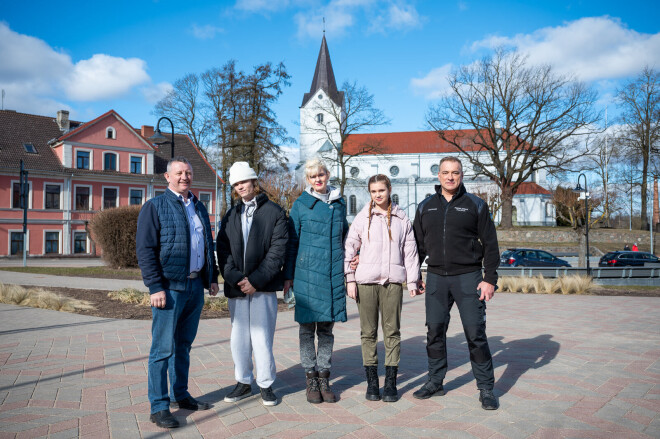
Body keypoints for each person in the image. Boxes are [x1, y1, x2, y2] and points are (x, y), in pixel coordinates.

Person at [136, 156, 219, 429]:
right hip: (169, 288)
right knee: (162, 349)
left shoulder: (198, 206)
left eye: (188, 173)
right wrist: (155, 286)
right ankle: (159, 406)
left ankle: (179, 395)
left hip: (195, 287)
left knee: (183, 345)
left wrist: (212, 277)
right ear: (167, 177)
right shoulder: (155, 207)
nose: (185, 177)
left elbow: (207, 244)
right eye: (179, 173)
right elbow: (145, 250)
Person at [412, 156, 500, 410]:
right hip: (437, 277)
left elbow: (491, 245)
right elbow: (416, 246)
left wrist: (489, 279)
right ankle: (435, 381)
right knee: (434, 332)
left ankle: (486, 388)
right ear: (438, 176)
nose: (450, 177)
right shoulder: (425, 206)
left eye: (456, 172)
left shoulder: (476, 205)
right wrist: (414, 275)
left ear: (462, 175)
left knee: (475, 333)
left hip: (468, 278)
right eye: (445, 172)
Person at [344, 174, 422, 402]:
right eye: (373, 191)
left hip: (392, 283)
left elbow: (410, 251)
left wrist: (413, 280)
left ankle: (390, 383)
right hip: (365, 282)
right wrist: (350, 279)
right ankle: (371, 383)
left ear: (389, 190)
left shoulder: (401, 218)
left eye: (382, 190)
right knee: (368, 333)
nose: (378, 195)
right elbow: (350, 248)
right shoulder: (361, 218)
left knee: (392, 332)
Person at [217, 161, 288, 407]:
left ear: (254, 182)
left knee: (261, 337)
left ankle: (266, 384)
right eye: (236, 184)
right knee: (239, 338)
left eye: (244, 182)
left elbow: (278, 251)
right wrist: (237, 278)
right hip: (237, 287)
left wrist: (256, 281)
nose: (240, 187)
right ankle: (243, 382)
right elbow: (222, 250)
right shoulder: (231, 215)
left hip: (263, 286)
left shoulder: (275, 213)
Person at [284, 159, 348, 404]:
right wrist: (288, 277)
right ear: (308, 180)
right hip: (307, 275)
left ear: (328, 174)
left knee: (327, 330)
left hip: (332, 273)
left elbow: (347, 237)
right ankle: (310, 378)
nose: (318, 179)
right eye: (313, 177)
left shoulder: (339, 203)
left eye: (321, 174)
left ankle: (324, 377)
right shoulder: (300, 205)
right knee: (306, 329)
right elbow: (292, 244)